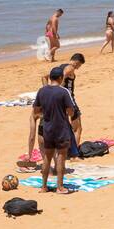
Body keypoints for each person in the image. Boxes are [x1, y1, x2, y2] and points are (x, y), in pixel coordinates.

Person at [35, 67, 78, 195]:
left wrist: (46, 114)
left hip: (47, 128)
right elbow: (71, 112)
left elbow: (36, 111)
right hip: (61, 128)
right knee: (61, 157)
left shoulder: (42, 91)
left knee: (47, 157)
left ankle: (44, 187)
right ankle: (59, 187)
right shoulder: (63, 92)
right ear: (60, 78)